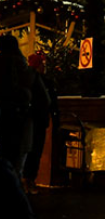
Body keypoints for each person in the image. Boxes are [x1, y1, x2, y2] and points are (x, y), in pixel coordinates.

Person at [0, 35, 35, 180]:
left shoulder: (5, 65)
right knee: (16, 166)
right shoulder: (24, 69)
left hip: (7, 122)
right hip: (20, 123)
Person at [23, 53, 54, 194]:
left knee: (33, 151)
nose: (44, 67)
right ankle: (28, 180)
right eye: (42, 64)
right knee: (33, 151)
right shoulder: (36, 81)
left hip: (35, 120)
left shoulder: (31, 80)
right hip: (35, 120)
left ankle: (28, 180)